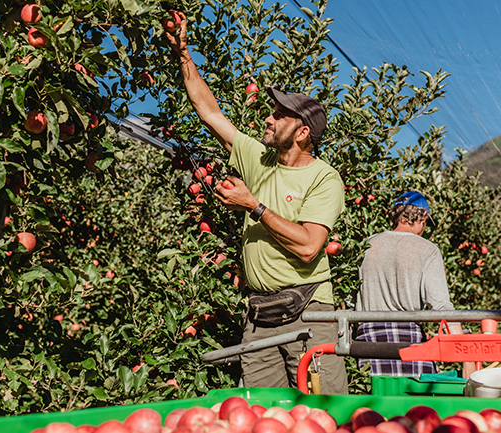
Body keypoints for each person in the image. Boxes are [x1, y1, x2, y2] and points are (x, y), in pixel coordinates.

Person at [164, 12, 348, 393]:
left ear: (301, 132)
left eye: (279, 115)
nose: (267, 118)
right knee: (262, 412)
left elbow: (310, 246)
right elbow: (210, 112)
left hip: (308, 312)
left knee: (320, 411)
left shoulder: (324, 178)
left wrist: (254, 206)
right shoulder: (257, 156)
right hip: (260, 313)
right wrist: (183, 54)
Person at [357, 190, 477, 378]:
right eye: (426, 223)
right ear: (421, 217)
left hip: (368, 337)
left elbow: (352, 299)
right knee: (414, 403)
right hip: (407, 337)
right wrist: (464, 352)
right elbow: (441, 306)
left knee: (376, 401)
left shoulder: (367, 245)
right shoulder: (427, 249)